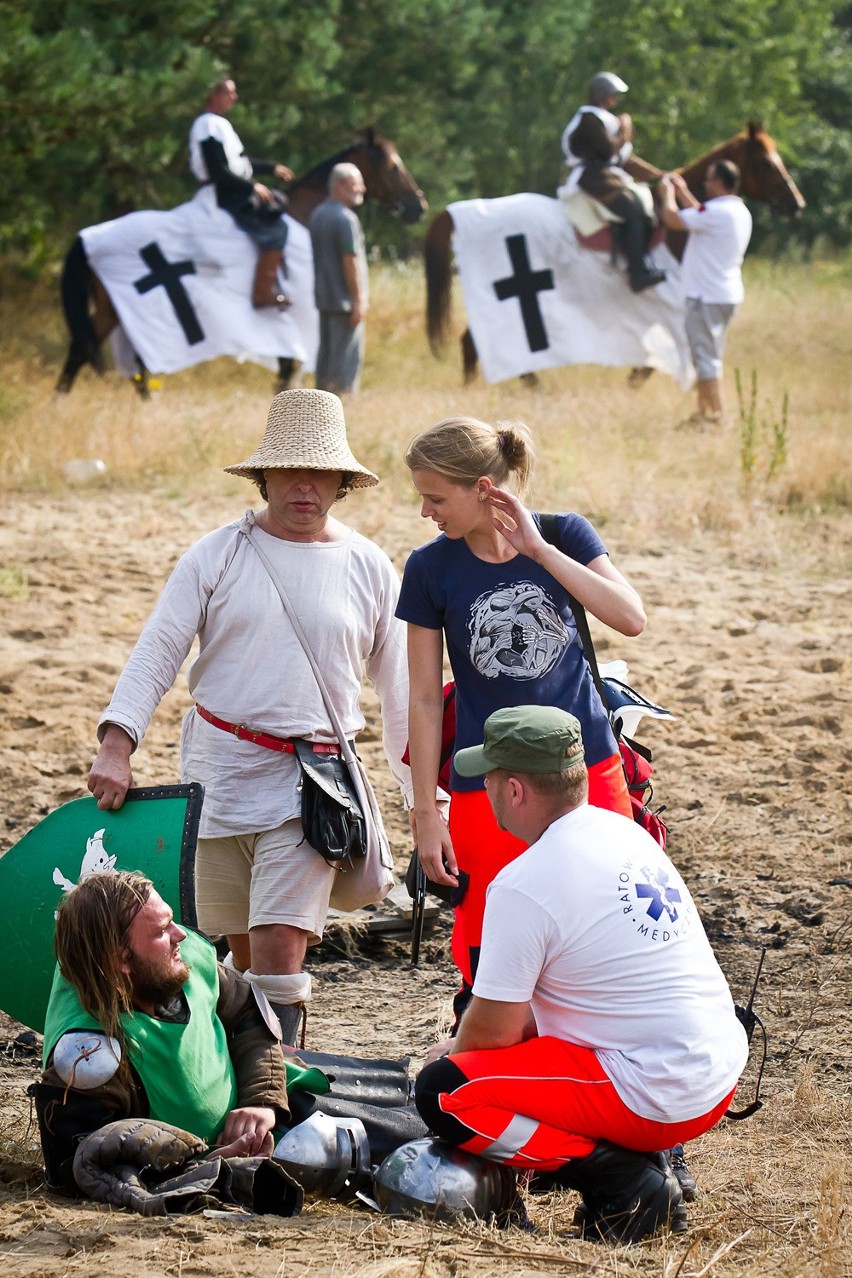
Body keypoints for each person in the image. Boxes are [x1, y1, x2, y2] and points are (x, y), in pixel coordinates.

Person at [87, 389, 413, 1043]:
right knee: (237, 950)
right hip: (218, 775)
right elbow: (158, 651)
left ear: (342, 481)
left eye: (320, 472)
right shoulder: (218, 554)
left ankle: (274, 1101)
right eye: (291, 470)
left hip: (312, 784)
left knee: (276, 954)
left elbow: (403, 692)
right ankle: (230, 1085)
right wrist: (117, 744)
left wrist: (425, 802)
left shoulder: (370, 566)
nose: (304, 485)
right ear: (265, 475)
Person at [415, 706, 749, 1245]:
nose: (486, 790)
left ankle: (623, 1180)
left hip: (657, 1093)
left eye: (491, 779)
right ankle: (644, 1157)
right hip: (716, 1073)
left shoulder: (523, 883)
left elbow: (493, 1036)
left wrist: (451, 1051)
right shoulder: (624, 832)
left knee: (446, 1093)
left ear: (516, 790)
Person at [396, 416, 645, 1016]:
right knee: (491, 932)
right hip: (488, 780)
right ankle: (491, 1060)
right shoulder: (430, 568)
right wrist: (426, 813)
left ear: (484, 489)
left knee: (605, 910)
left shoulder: (565, 533)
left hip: (586, 768)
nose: (427, 512)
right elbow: (426, 699)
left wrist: (538, 549)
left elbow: (631, 617)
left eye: (435, 497)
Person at [34, 872, 424, 1211]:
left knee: (421, 1110)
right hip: (260, 1150)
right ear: (120, 959)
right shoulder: (88, 1057)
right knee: (417, 1167)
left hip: (279, 1096)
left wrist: (261, 1101)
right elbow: (88, 1173)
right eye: (160, 932)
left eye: (171, 922)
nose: (180, 936)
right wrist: (214, 1166)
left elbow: (250, 1019)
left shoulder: (180, 962)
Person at [659, 161, 753, 426]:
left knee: (706, 359)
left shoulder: (716, 212)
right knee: (710, 355)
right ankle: (704, 413)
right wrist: (682, 191)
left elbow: (672, 219)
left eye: (710, 180)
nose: (706, 184)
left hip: (705, 296)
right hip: (725, 294)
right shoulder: (737, 210)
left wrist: (667, 194)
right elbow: (700, 210)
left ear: (721, 182)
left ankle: (718, 417)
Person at [189, 76, 294, 308]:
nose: (234, 97)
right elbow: (218, 169)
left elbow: (240, 163)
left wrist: (271, 168)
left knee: (281, 201)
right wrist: (251, 186)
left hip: (233, 188)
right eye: (229, 92)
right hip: (224, 193)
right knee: (276, 227)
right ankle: (263, 291)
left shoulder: (220, 124)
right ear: (213, 95)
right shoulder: (208, 124)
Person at [561, 71, 665, 293]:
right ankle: (637, 273)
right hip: (595, 178)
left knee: (644, 202)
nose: (616, 99)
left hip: (609, 175)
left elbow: (626, 160)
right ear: (603, 95)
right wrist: (626, 130)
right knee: (633, 210)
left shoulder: (605, 120)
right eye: (613, 94)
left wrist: (659, 174)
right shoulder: (590, 119)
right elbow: (609, 150)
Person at [309, 162, 369, 394]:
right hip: (345, 301)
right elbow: (350, 260)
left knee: (326, 358)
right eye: (357, 183)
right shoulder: (345, 219)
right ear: (341, 185)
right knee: (345, 363)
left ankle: (318, 405)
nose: (362, 189)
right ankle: (341, 409)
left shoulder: (318, 214)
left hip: (324, 298)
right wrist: (358, 300)